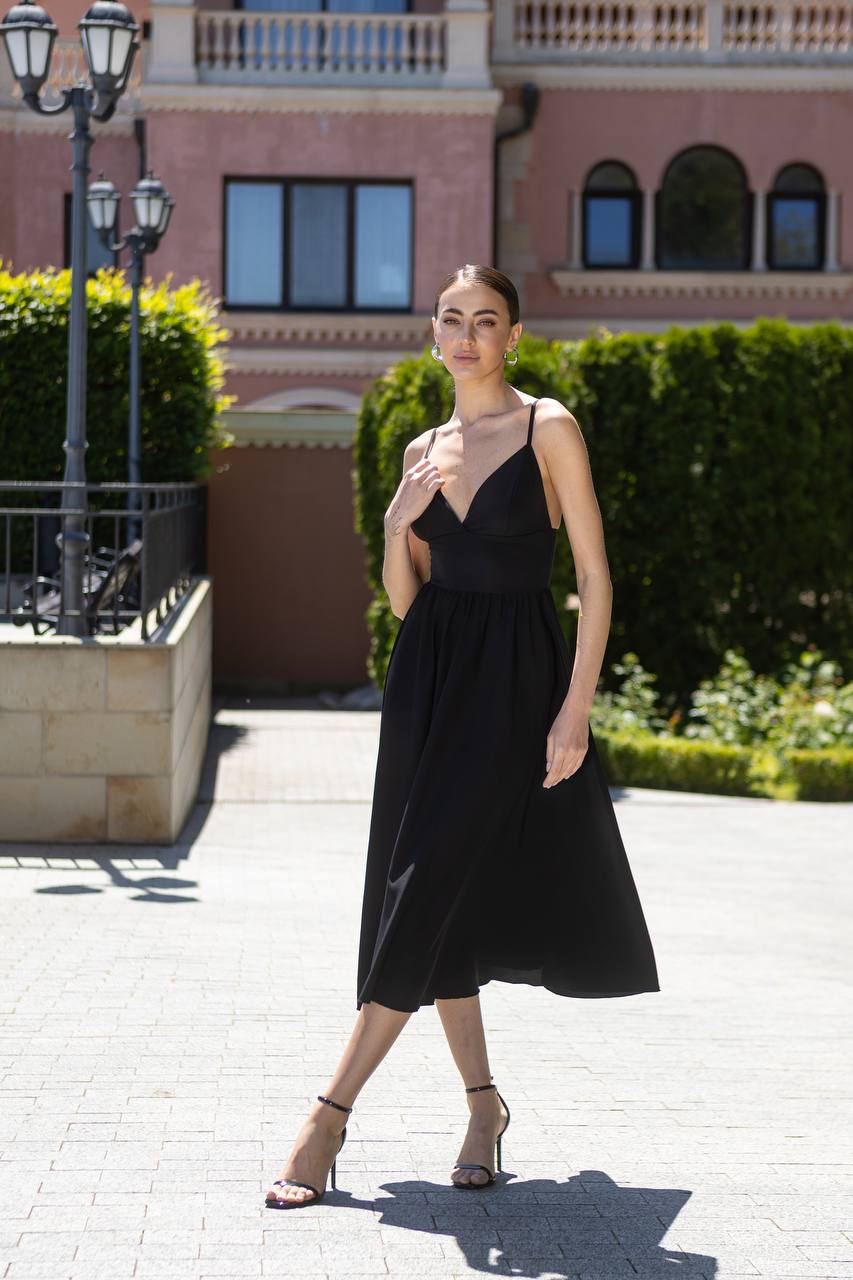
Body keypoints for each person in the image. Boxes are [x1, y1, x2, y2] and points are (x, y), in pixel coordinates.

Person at [265, 263, 659, 1209]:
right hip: (428, 687)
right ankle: (483, 1107)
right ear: (433, 334)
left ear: (513, 335)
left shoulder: (546, 425)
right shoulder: (421, 448)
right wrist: (398, 525)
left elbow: (594, 578)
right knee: (432, 894)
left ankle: (326, 1118)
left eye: (486, 320)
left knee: (426, 885)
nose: (468, 334)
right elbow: (412, 607)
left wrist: (577, 705)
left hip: (518, 686)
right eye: (452, 319)